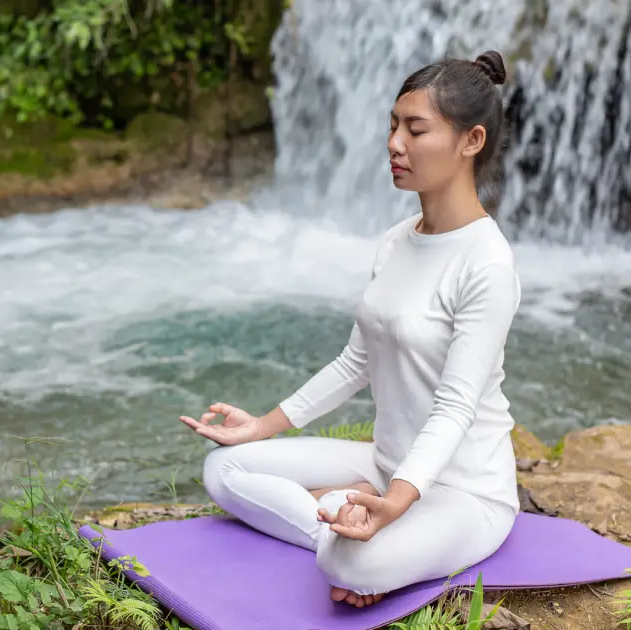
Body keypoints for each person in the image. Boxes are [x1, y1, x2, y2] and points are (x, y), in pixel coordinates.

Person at [178, 50, 522, 608]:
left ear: (471, 140)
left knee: (345, 561)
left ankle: (353, 525)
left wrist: (400, 501)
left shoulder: (487, 263)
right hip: (384, 463)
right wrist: (261, 426)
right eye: (392, 126)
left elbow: (456, 407)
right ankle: (347, 512)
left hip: (463, 492)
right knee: (224, 468)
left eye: (416, 129)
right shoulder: (395, 241)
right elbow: (355, 363)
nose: (394, 144)